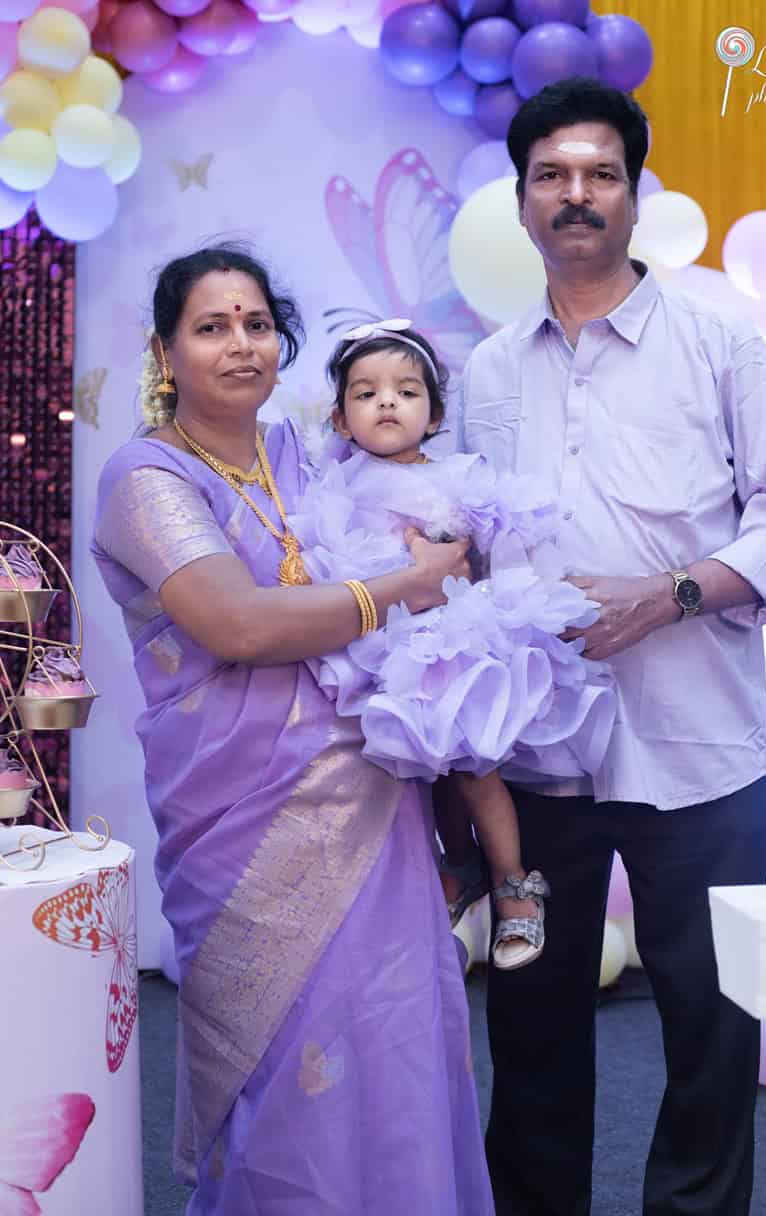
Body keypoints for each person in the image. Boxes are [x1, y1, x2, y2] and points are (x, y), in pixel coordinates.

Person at [459, 78, 766, 1216]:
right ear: (523, 201)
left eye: (601, 174)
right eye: (553, 176)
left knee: (709, 1040)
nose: (577, 196)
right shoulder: (482, 374)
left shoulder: (718, 344)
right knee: (527, 1035)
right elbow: (470, 555)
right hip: (536, 772)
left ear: (634, 194)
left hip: (700, 754)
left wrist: (665, 594)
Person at [91, 244, 494, 1216]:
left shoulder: (313, 455)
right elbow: (237, 624)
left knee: (393, 1037)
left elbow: (437, 553)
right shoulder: (145, 479)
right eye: (212, 326)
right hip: (239, 823)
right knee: (280, 1061)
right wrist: (405, 583)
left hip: (374, 798)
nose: (241, 344)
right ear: (165, 350)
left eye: (258, 324)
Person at [287, 319, 616, 970]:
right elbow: (327, 557)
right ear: (341, 417)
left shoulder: (457, 475)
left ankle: (513, 884)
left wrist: (468, 542)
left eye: (406, 392)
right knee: (425, 767)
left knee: (471, 764)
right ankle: (457, 864)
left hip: (449, 638)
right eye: (367, 392)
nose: (387, 402)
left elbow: (486, 538)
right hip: (382, 639)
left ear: (435, 414)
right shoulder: (336, 483)